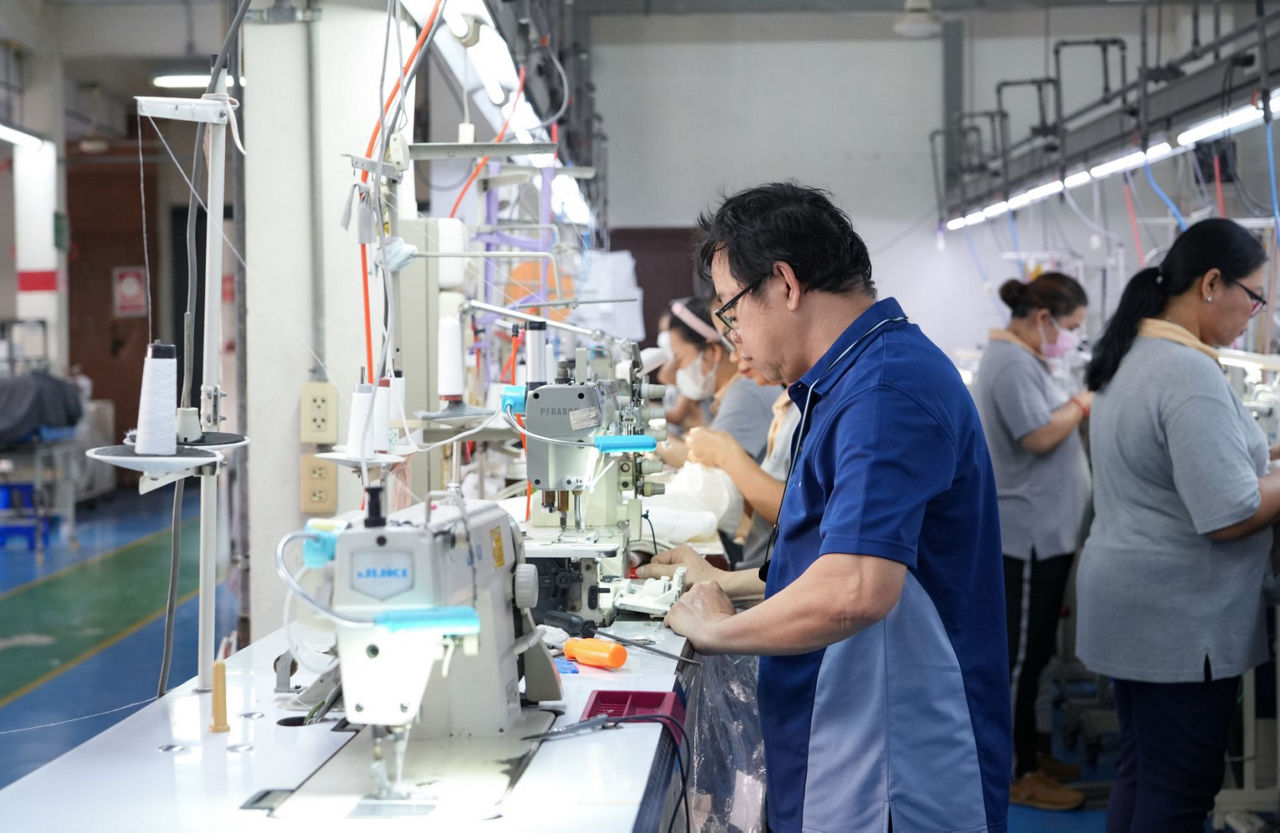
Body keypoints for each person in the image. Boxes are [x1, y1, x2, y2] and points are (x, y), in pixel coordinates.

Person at [640, 182, 1010, 832]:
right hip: (843, 738)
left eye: (731, 310)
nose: (734, 335)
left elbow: (856, 590)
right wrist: (735, 581)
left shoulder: (885, 390)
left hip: (892, 770)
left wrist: (717, 631)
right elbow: (840, 548)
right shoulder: (848, 380)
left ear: (782, 282)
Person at [1076, 218, 1280, 832]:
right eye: (1255, 295)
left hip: (1136, 606)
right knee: (1180, 790)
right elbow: (1230, 514)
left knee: (1144, 774)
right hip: (1178, 621)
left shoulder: (1135, 354)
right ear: (1213, 284)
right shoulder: (1187, 374)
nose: (1256, 312)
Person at [973, 272, 1092, 812]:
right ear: (1042, 319)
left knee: (1037, 655)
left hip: (1046, 533)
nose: (1070, 339)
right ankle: (1016, 773)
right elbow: (1038, 435)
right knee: (1018, 662)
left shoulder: (1029, 359)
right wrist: (1083, 404)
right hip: (1025, 537)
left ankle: (1034, 752)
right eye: (1070, 328)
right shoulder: (1010, 363)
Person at [685, 339, 798, 571]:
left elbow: (796, 513)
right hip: (758, 564)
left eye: (737, 338)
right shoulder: (788, 404)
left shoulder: (752, 391)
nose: (735, 357)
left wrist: (726, 455)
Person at [655, 296, 777, 468]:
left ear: (713, 351)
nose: (676, 371)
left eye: (680, 359)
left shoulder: (747, 392)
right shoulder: (725, 395)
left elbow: (707, 464)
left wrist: (651, 439)